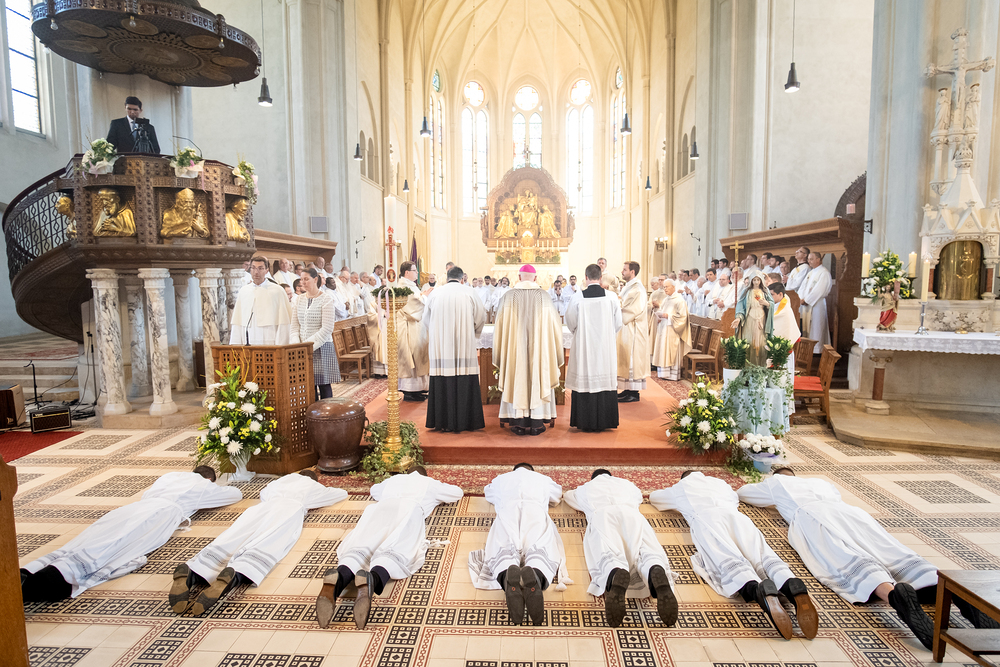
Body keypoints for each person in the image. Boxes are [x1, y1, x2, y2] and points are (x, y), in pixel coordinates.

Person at [738, 468, 946, 649]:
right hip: (851, 514)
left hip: (814, 516)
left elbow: (744, 494)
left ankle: (893, 596)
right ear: (795, 474)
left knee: (846, 556)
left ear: (778, 475)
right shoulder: (820, 482)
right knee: (887, 548)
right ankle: (937, 587)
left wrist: (771, 493)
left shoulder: (776, 482)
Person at [21, 467, 240, 602]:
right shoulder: (201, 485)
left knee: (92, 536)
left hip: (132, 509)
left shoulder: (170, 476)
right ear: (209, 479)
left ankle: (31, 570)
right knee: (119, 545)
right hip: (159, 514)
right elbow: (234, 494)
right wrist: (216, 484)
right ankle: (53, 579)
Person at [649, 471, 818, 640]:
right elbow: (736, 497)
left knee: (726, 557)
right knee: (761, 553)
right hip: (739, 519)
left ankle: (756, 589)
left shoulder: (681, 487)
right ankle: (788, 582)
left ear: (684, 478)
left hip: (708, 520)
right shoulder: (721, 484)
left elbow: (655, 498)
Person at [172, 471, 347, 616]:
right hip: (288, 512)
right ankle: (235, 574)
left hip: (259, 510)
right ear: (313, 479)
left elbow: (263, 493)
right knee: (266, 543)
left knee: (232, 537)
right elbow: (340, 494)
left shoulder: (279, 483)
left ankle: (193, 571)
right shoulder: (313, 486)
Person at [315, 468, 463, 629]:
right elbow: (457, 493)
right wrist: (436, 496)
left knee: (362, 544)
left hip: (380, 509)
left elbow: (374, 491)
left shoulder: (393, 480)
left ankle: (339, 577)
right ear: (423, 475)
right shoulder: (429, 483)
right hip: (408, 511)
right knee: (396, 548)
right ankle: (373, 579)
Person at [563, 470, 677, 628]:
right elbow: (639, 498)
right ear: (611, 476)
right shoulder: (628, 484)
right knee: (645, 547)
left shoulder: (585, 488)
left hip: (603, 515)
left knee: (606, 550)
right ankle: (654, 568)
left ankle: (615, 571)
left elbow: (568, 497)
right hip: (632, 515)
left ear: (593, 478)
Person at [468, 463, 570, 625]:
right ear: (532, 471)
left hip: (508, 512)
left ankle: (508, 577)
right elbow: (557, 497)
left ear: (513, 470)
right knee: (542, 547)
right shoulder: (543, 479)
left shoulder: (501, 479)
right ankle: (535, 575)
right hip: (535, 513)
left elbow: (488, 494)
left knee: (502, 547)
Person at [493, 264, 564, 436]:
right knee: (538, 374)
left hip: (515, 351)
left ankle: (517, 423)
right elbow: (555, 326)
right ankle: (536, 423)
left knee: (516, 374)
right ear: (535, 278)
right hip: (539, 351)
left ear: (518, 277)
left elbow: (499, 326)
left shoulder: (508, 297)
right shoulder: (544, 297)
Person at [423, 265, 487, 432]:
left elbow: (426, 320)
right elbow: (481, 317)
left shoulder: (435, 293)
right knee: (464, 375)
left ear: (446, 278)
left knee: (443, 377)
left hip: (441, 347)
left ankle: (442, 422)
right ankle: (467, 422)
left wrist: (437, 333)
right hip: (464, 344)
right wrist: (473, 333)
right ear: (462, 279)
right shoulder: (470, 292)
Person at [565, 264, 623, 432]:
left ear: (586, 277)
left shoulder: (577, 297)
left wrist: (580, 334)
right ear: (600, 277)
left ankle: (584, 421)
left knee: (584, 377)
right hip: (605, 348)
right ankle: (606, 421)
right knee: (605, 378)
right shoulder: (611, 297)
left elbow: (571, 322)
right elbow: (618, 323)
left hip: (584, 347)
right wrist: (607, 335)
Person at [290, 268, 346, 398]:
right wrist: (297, 345)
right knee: (308, 385)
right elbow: (294, 326)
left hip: (321, 347)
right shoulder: (299, 299)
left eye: (306, 279)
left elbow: (327, 328)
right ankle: (312, 410)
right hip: (302, 350)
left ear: (315, 279)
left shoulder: (326, 299)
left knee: (324, 385)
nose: (303, 282)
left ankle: (326, 411)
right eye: (301, 279)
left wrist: (308, 346)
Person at [229, 256, 292, 345]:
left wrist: (282, 346)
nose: (256, 272)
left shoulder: (277, 291)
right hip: (249, 338)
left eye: (260, 268)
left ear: (267, 270)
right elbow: (238, 321)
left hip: (270, 337)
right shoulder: (244, 291)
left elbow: (284, 322)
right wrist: (236, 344)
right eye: (253, 268)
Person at [397, 261, 431, 401]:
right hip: (409, 326)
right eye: (414, 270)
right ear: (407, 273)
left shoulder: (410, 285)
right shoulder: (403, 286)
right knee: (412, 354)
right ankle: (409, 391)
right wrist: (425, 296)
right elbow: (412, 305)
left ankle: (418, 389)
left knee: (418, 355)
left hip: (416, 325)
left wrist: (423, 295)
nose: (417, 273)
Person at [616, 261, 649, 403]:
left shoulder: (638, 288)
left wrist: (618, 308)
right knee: (626, 358)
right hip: (627, 328)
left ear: (632, 272)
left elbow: (634, 309)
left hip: (634, 329)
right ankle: (627, 389)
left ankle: (634, 392)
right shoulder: (629, 287)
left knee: (632, 359)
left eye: (624, 270)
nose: (622, 272)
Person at [651, 282, 692, 380]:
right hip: (663, 328)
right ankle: (663, 373)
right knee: (662, 349)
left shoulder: (680, 300)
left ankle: (672, 375)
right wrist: (659, 317)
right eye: (664, 287)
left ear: (673, 287)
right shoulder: (666, 299)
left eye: (667, 287)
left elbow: (683, 317)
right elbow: (661, 310)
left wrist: (668, 316)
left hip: (672, 330)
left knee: (670, 351)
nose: (665, 289)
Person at [733, 275, 774, 367]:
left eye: (758, 280)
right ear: (751, 281)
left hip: (761, 317)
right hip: (749, 318)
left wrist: (767, 304)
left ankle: (760, 367)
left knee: (761, 342)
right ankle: (748, 367)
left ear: (761, 280)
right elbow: (741, 306)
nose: (756, 282)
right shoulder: (747, 292)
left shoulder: (765, 291)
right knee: (749, 341)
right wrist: (739, 318)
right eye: (754, 280)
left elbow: (772, 303)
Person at [799, 252, 832, 353]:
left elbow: (819, 290)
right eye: (808, 259)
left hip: (817, 304)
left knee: (816, 327)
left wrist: (807, 300)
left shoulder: (824, 273)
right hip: (806, 304)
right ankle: (807, 350)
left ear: (818, 259)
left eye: (811, 259)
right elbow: (803, 287)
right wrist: (801, 298)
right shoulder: (811, 273)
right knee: (807, 327)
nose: (809, 261)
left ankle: (816, 350)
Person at [768, 283, 800, 376]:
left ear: (780, 294)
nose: (769, 297)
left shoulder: (785, 311)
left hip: (784, 351)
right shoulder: (775, 305)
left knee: (783, 377)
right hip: (773, 348)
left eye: (772, 294)